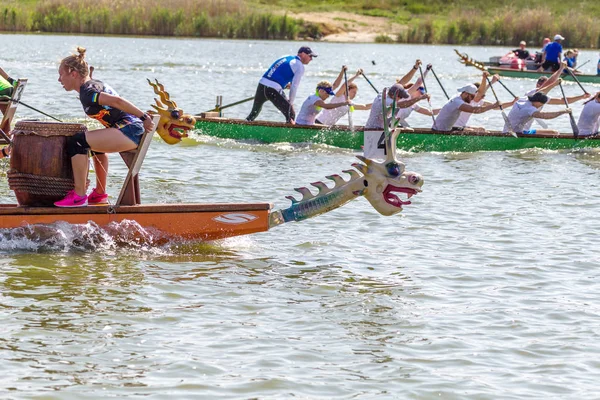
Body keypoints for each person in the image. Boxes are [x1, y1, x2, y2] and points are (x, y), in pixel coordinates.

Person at [54, 47, 155, 207]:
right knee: (94, 145)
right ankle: (99, 194)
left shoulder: (88, 91)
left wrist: (144, 117)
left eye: (61, 75)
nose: (59, 79)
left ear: (73, 74)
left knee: (77, 142)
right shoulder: (90, 87)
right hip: (130, 130)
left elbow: (118, 101)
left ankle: (79, 195)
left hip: (130, 130)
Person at [246, 46, 316, 124]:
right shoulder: (300, 66)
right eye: (310, 56)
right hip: (273, 89)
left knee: (254, 113)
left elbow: (276, 72)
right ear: (302, 54)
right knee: (291, 114)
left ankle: (241, 127)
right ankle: (287, 135)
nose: (311, 59)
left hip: (262, 85)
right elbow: (294, 87)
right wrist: (291, 103)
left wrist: (284, 84)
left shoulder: (285, 57)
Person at [454, 72, 518, 131]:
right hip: (454, 127)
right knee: (474, 131)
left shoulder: (478, 101)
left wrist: (512, 103)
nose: (483, 96)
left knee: (482, 129)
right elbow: (480, 92)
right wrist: (490, 81)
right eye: (482, 94)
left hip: (462, 126)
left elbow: (496, 107)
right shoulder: (468, 100)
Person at [432, 84, 499, 131]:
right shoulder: (458, 102)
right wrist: (492, 106)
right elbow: (474, 110)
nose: (472, 99)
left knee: (481, 129)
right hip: (439, 131)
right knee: (476, 132)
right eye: (472, 97)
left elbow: (480, 93)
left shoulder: (458, 96)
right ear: (466, 94)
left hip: (446, 129)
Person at [364, 83, 429, 130]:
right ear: (396, 94)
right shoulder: (388, 101)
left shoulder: (383, 93)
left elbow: (401, 82)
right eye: (400, 97)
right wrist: (420, 98)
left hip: (374, 128)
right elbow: (405, 104)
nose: (400, 99)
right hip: (374, 130)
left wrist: (415, 68)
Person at [503, 92, 571, 135]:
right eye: (542, 104)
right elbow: (544, 116)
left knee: (554, 132)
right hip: (515, 134)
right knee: (555, 134)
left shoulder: (523, 99)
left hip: (509, 130)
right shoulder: (529, 109)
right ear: (538, 102)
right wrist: (563, 111)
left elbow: (541, 89)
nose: (541, 106)